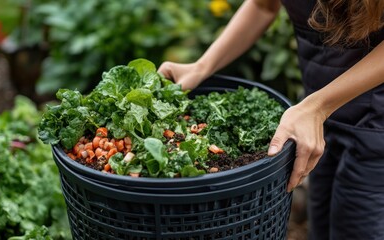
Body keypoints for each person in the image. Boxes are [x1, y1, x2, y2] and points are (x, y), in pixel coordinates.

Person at [158, 0, 384, 239]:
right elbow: (263, 6)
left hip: (375, 119)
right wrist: (201, 67)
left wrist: (318, 106)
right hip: (319, 107)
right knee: (322, 222)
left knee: (356, 225)